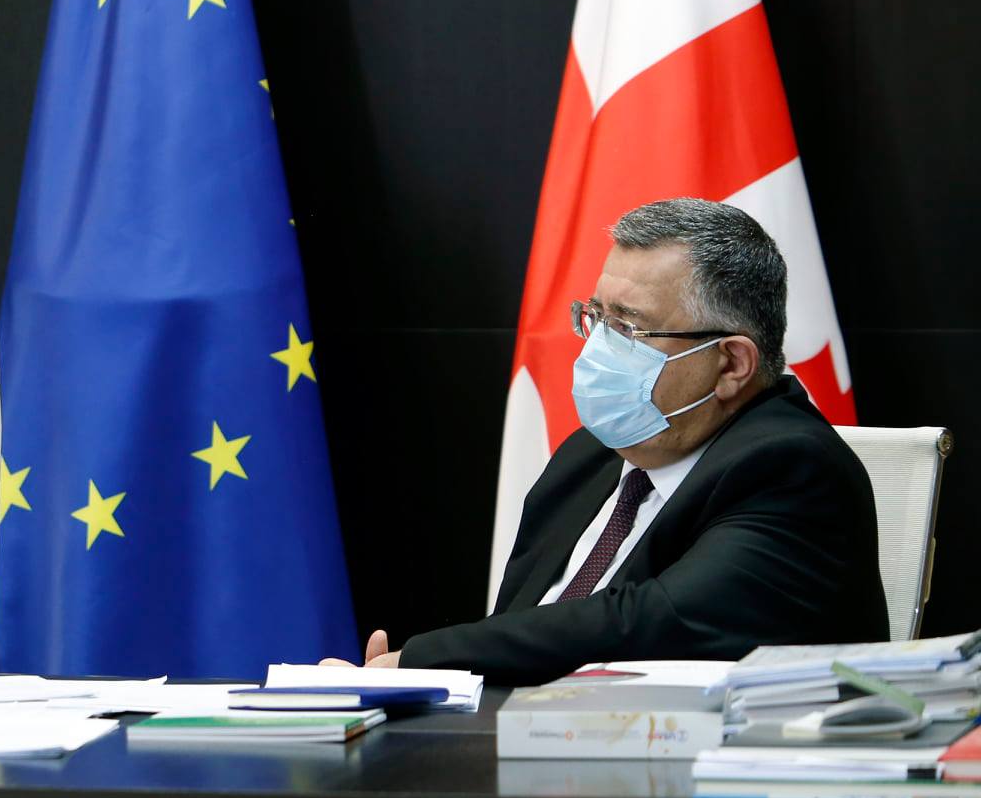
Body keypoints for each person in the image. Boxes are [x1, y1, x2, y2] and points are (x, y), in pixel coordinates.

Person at [340, 198, 886, 686]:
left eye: (628, 328)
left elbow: (646, 623)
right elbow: (521, 628)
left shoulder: (792, 468)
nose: (597, 348)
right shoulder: (590, 456)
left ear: (731, 364)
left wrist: (420, 662)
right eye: (596, 317)